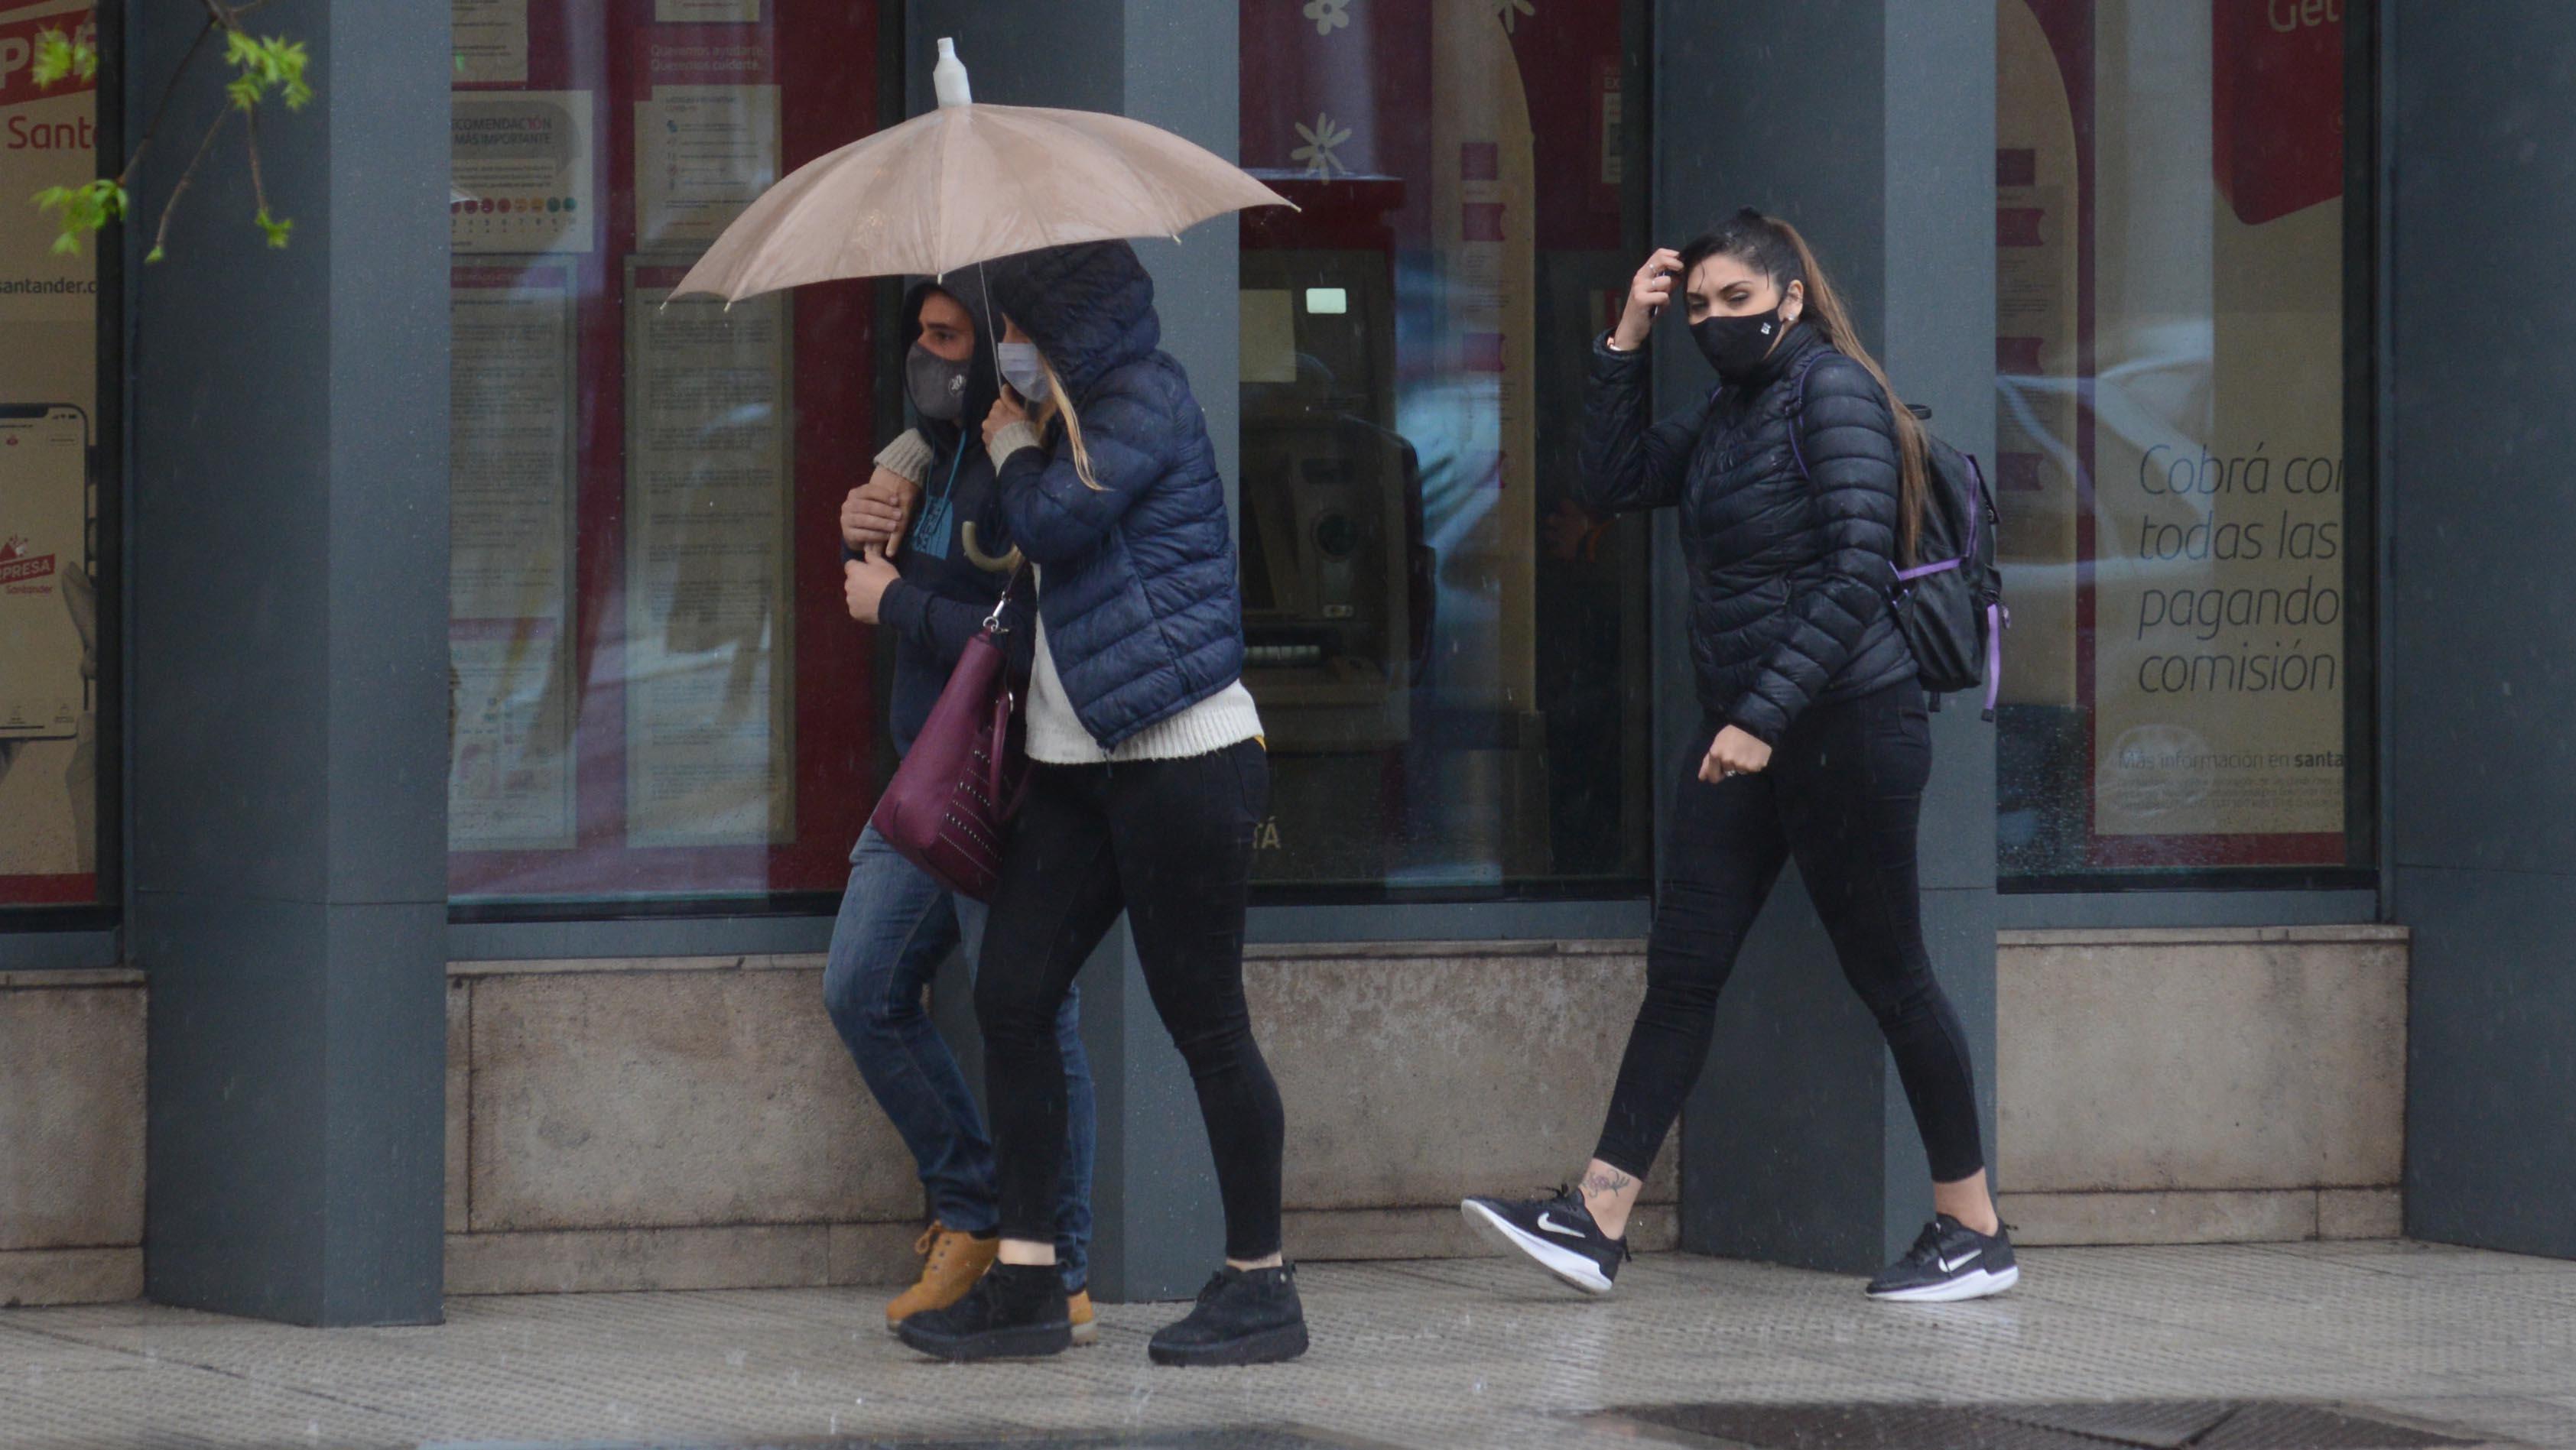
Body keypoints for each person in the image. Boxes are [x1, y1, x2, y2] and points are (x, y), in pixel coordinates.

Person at [1460, 209, 2016, 1304]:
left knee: (1893, 975)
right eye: (1699, 307)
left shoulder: (1833, 393)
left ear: (1790, 301)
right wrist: (1625, 333)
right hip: (1751, 734)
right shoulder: (1727, 413)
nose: (1715, 322)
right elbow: (1609, 478)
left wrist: (1761, 714)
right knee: (1685, 969)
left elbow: (1857, 566)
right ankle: (1597, 1214)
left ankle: (1973, 1226)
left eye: (1736, 303)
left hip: (1846, 724)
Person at [893, 241, 1306, 1367]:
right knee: (1014, 994)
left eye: (1017, 324)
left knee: (1205, 1020)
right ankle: (1028, 1276)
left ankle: (1261, 1283)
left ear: (1064, 325)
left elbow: (1056, 521)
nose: (1002, 346)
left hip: (1182, 756)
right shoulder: (1047, 405)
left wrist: (1018, 441)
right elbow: (986, 500)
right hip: (1075, 766)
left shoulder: (1143, 400)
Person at [830, 275, 1099, 1341]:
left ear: (996, 348)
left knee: (1032, 1014)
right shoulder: (931, 452)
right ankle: (978, 1210)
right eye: (919, 336)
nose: (927, 356)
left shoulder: (1026, 459)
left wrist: (894, 601)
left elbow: (1019, 628)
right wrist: (871, 525)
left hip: (1008, 780)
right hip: (925, 779)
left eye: (949, 337)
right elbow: (934, 587)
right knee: (861, 988)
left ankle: (1061, 1261)